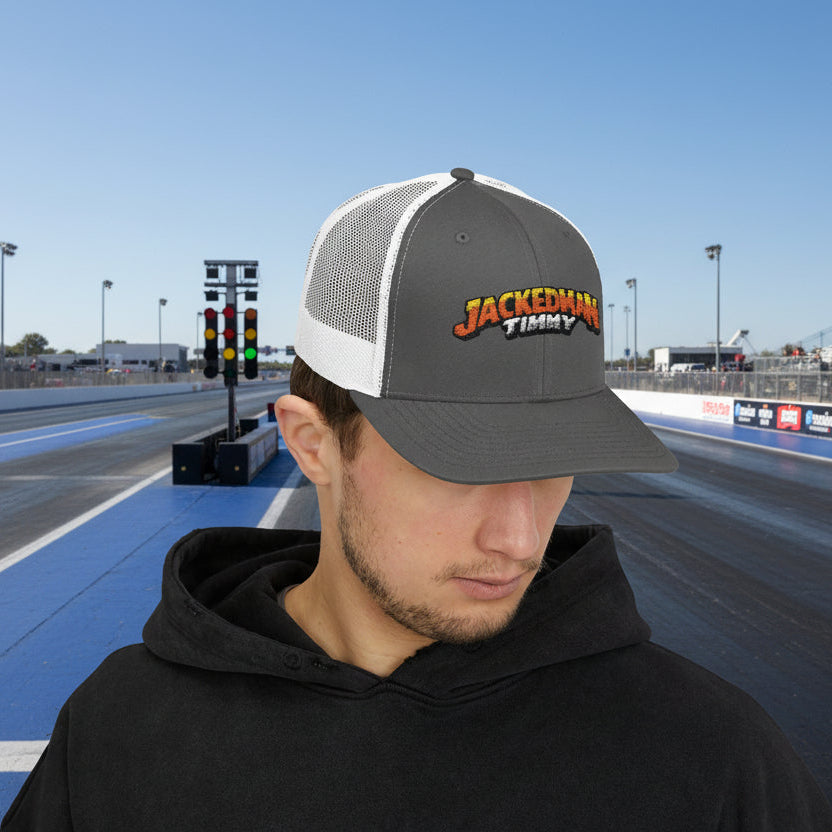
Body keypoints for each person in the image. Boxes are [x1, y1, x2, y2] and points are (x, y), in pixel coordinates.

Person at [3, 169, 830, 831]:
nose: (521, 538)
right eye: (458, 466)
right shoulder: (120, 736)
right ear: (313, 443)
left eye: (555, 463)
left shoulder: (716, 757)